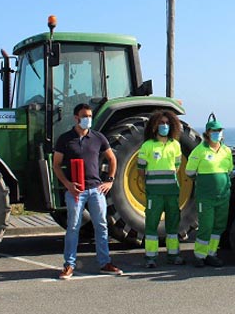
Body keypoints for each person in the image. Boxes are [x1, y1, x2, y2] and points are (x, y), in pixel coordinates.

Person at [53, 103, 123, 279]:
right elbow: (56, 165)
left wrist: (110, 181)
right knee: (73, 227)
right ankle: (69, 265)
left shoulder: (98, 137)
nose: (88, 119)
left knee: (101, 226)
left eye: (90, 116)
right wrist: (68, 184)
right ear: (76, 118)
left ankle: (105, 262)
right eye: (85, 116)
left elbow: (112, 159)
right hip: (75, 191)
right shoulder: (64, 139)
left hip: (96, 190)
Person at [137, 110, 185, 267]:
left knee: (173, 225)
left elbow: (177, 166)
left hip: (171, 192)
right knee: (151, 224)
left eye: (167, 123)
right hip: (154, 193)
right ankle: (150, 258)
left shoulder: (175, 145)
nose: (164, 126)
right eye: (161, 123)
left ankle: (173, 255)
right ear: (155, 126)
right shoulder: (147, 146)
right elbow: (141, 169)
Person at [185, 116, 233, 268]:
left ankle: (212, 254)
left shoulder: (226, 151)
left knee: (218, 226)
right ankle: (200, 256)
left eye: (219, 131)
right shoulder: (199, 151)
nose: (217, 133)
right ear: (207, 133)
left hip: (223, 195)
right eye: (214, 131)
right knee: (205, 226)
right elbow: (189, 172)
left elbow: (229, 170)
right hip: (206, 197)